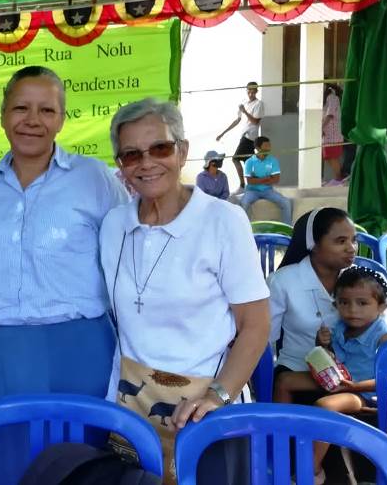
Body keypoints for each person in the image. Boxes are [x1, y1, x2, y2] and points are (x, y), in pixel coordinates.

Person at [0, 66, 127, 484]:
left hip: (83, 344)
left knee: (85, 464)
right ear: (3, 115)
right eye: (21, 108)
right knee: (13, 460)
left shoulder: (94, 178)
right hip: (7, 349)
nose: (32, 120)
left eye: (46, 110)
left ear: (61, 119)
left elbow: (130, 251)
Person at [101, 98, 270, 484]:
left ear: (182, 151)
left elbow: (256, 324)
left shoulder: (223, 220)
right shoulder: (113, 225)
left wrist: (218, 396)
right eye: (131, 154)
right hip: (131, 405)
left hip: (203, 407)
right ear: (121, 164)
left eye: (160, 148)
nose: (146, 162)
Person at [273, 266, 387, 484]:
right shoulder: (340, 327)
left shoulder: (384, 337)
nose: (352, 310)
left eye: (362, 303)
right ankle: (281, 443)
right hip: (338, 381)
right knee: (284, 380)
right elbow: (329, 357)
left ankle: (312, 470)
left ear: (382, 306)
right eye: (344, 302)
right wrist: (322, 344)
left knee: (325, 406)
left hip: (363, 393)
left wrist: (354, 387)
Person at [270, 208, 357, 401]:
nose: (351, 248)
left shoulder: (362, 280)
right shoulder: (283, 281)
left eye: (354, 240)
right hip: (297, 373)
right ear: (313, 244)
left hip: (355, 373)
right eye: (341, 241)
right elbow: (264, 339)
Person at [216, 82, 264, 192]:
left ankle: (242, 186)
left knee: (235, 159)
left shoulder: (259, 104)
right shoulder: (244, 103)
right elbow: (237, 120)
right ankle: (256, 186)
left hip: (249, 136)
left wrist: (245, 111)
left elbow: (255, 122)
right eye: (249, 91)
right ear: (246, 90)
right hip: (244, 135)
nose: (251, 94)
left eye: (253, 91)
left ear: (256, 91)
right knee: (249, 163)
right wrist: (223, 133)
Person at [239, 136, 292, 225]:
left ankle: (287, 228)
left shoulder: (273, 160)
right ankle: (244, 227)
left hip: (268, 191)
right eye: (266, 146)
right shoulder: (249, 162)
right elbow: (250, 181)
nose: (269, 148)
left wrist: (257, 179)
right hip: (252, 191)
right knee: (243, 203)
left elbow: (276, 179)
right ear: (257, 148)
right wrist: (267, 178)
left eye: (269, 145)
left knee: (286, 202)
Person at [322, 85, 345, 186]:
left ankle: (338, 179)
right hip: (327, 135)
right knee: (328, 157)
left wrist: (321, 127)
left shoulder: (332, 97)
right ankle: (337, 178)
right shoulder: (326, 98)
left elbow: (330, 114)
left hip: (333, 134)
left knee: (333, 157)